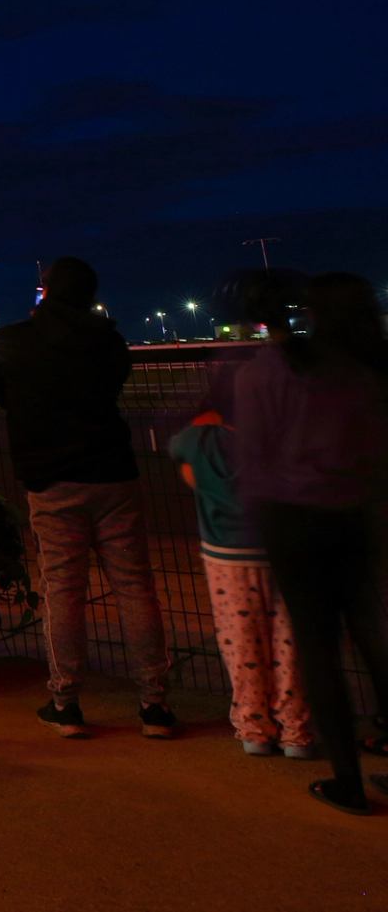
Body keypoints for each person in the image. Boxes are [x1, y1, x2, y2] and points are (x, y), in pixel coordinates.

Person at [0, 256, 175, 740]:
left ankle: (65, 700)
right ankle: (154, 703)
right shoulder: (107, 340)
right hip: (113, 472)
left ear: (45, 291)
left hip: (51, 480)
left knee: (63, 588)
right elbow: (114, 383)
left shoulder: (13, 341)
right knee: (135, 586)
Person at [238, 270, 388, 816]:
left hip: (294, 521)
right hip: (356, 514)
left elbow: (254, 456)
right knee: (373, 636)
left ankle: (347, 779)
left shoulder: (276, 369)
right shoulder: (370, 368)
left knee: (320, 651)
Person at [168, 363, 310, 759]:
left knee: (241, 644)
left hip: (226, 559)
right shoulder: (280, 437)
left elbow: (173, 447)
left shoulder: (198, 440)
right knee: (287, 642)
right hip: (280, 552)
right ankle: (296, 731)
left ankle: (254, 729)